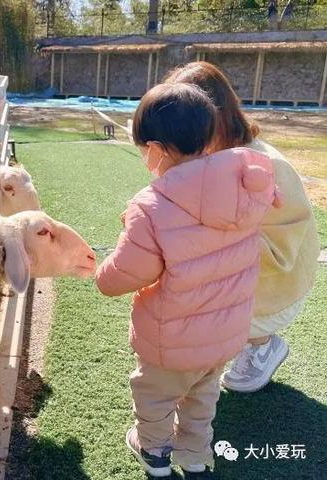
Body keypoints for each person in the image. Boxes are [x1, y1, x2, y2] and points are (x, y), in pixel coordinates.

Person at [95, 82, 279, 479]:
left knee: (154, 396)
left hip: (172, 340)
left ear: (158, 150)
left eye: (145, 149)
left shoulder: (153, 206)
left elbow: (124, 275)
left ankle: (155, 453)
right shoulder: (245, 189)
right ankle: (195, 454)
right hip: (224, 337)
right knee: (202, 396)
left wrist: (102, 271)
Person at [163, 62, 320, 393]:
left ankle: (262, 343)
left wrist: (204, 232)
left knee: (198, 308)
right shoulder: (208, 158)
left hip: (279, 285)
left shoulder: (266, 167)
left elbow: (281, 254)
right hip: (244, 275)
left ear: (215, 118)